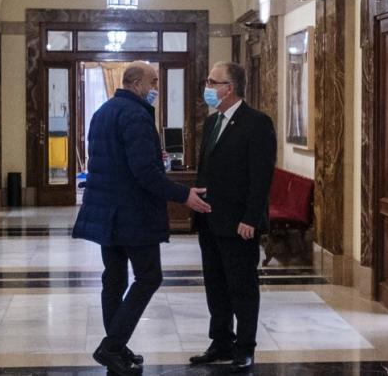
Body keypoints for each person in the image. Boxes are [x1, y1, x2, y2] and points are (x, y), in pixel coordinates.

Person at [72, 60, 211, 376]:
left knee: (115, 278)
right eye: (154, 81)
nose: (157, 88)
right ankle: (112, 347)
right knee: (149, 277)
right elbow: (145, 172)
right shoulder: (135, 115)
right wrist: (183, 195)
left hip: (108, 210)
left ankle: (116, 347)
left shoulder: (104, 112)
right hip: (131, 212)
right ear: (136, 84)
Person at [189, 61, 276, 373]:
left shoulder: (257, 123)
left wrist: (251, 218)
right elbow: (207, 168)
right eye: (208, 81)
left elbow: (261, 177)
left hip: (239, 222)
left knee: (242, 286)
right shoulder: (213, 123)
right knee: (215, 284)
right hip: (210, 219)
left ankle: (245, 346)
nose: (208, 87)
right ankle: (221, 341)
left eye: (214, 82)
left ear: (231, 88)